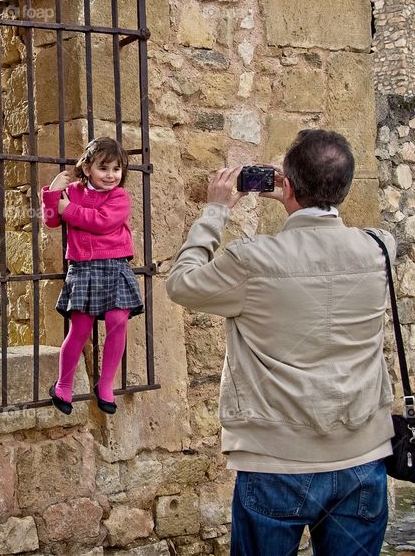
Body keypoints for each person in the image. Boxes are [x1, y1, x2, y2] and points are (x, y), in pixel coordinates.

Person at [165, 129, 396, 556]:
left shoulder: (252, 260)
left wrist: (215, 211)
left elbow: (181, 284)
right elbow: (327, 232)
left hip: (275, 462)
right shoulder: (381, 248)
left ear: (287, 184)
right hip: (362, 457)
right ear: (345, 186)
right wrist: (298, 195)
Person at [40, 137, 143, 416]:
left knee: (117, 322)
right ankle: (63, 385)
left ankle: (105, 383)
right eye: (103, 168)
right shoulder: (72, 192)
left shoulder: (119, 197)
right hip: (84, 268)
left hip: (115, 266)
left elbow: (102, 222)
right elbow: (51, 219)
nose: (111, 175)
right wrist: (53, 193)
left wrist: (67, 209)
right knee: (80, 329)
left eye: (116, 169)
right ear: (87, 168)